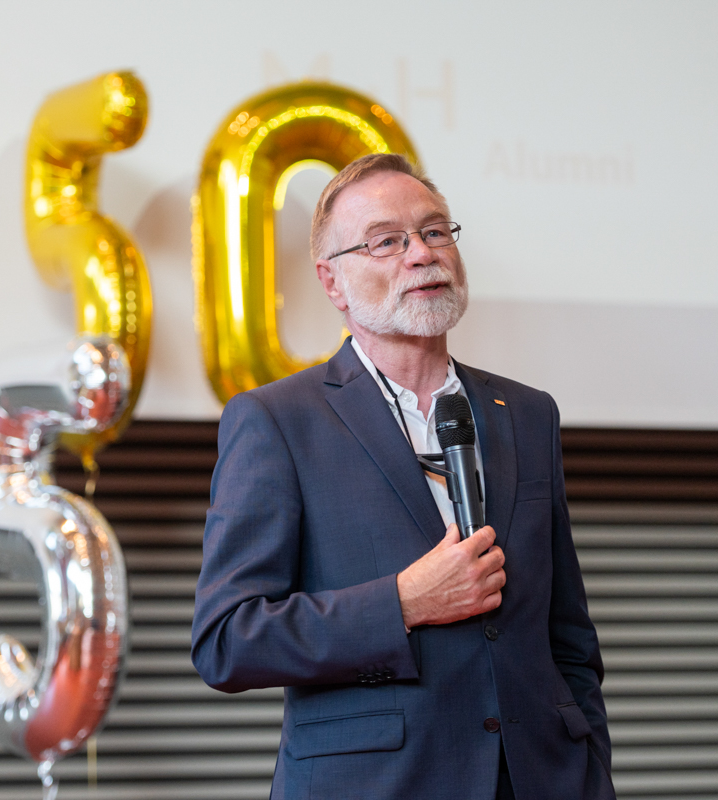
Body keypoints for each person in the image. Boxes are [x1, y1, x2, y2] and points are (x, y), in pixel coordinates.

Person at [191, 153, 614, 800]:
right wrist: (403, 603)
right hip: (375, 783)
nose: (420, 254)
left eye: (435, 231)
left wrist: (591, 778)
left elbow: (570, 642)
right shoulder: (278, 421)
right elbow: (228, 640)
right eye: (387, 241)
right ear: (332, 282)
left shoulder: (527, 413)